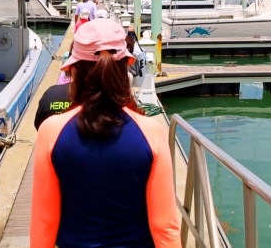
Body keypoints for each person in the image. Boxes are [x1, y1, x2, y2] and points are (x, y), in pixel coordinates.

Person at [31, 20, 181, 248]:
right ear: (124, 68)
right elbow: (165, 226)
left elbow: (44, 222)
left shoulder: (51, 131)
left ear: (74, 71)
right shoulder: (152, 132)